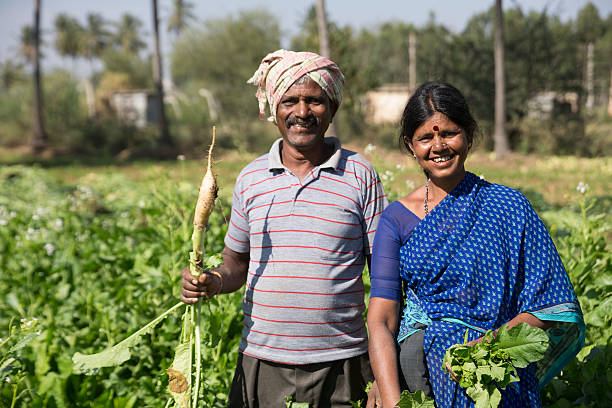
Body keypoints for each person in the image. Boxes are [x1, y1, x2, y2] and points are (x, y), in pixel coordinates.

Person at [182, 49, 388, 407]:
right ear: (274, 108)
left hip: (343, 364)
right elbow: (236, 264)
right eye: (290, 101)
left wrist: (383, 373)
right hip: (263, 362)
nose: (302, 112)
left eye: (315, 101)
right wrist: (213, 281)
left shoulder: (360, 175)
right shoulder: (252, 178)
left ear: (333, 107)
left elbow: (384, 277)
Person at [367, 82, 584, 408]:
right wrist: (391, 396)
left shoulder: (507, 207)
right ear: (411, 146)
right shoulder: (396, 220)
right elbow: (382, 320)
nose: (438, 146)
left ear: (468, 135)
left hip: (495, 381)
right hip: (420, 381)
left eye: (449, 133)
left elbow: (550, 303)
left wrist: (484, 352)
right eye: (426, 138)